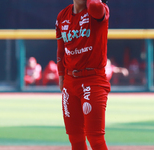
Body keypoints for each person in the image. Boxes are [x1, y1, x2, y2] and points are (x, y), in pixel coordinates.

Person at [55, 0, 110, 149]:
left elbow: (94, 6)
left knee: (95, 138)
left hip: (93, 80)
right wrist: (61, 76)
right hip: (70, 81)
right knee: (75, 138)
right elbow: (61, 50)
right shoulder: (62, 16)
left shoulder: (98, 10)